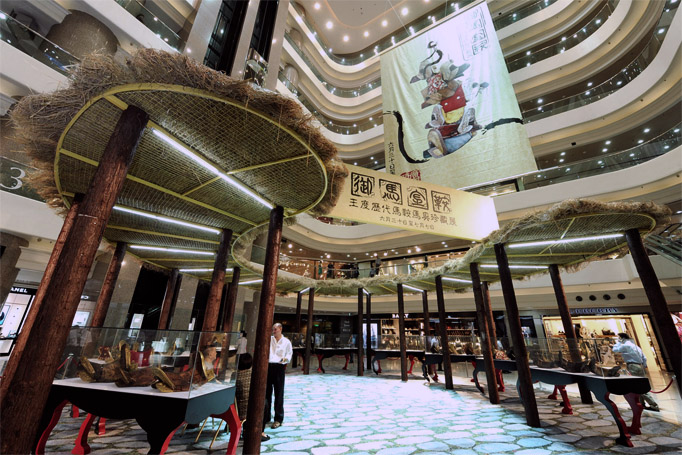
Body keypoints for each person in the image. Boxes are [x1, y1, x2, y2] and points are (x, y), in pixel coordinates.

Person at [612, 333, 659, 411]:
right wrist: (643, 365)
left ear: (622, 338)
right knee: (638, 385)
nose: (618, 339)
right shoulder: (636, 346)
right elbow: (644, 357)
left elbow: (615, 350)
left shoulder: (626, 346)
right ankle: (641, 404)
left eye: (619, 338)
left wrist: (618, 343)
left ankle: (653, 405)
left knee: (639, 386)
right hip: (640, 365)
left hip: (632, 366)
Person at [264, 323, 292, 431]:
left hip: (279, 368)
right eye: (273, 329)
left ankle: (278, 419)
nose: (274, 331)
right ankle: (266, 417)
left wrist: (283, 360)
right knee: (266, 394)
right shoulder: (269, 339)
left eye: (275, 329)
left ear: (280, 329)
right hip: (268, 367)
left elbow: (289, 354)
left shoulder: (286, 342)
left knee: (279, 394)